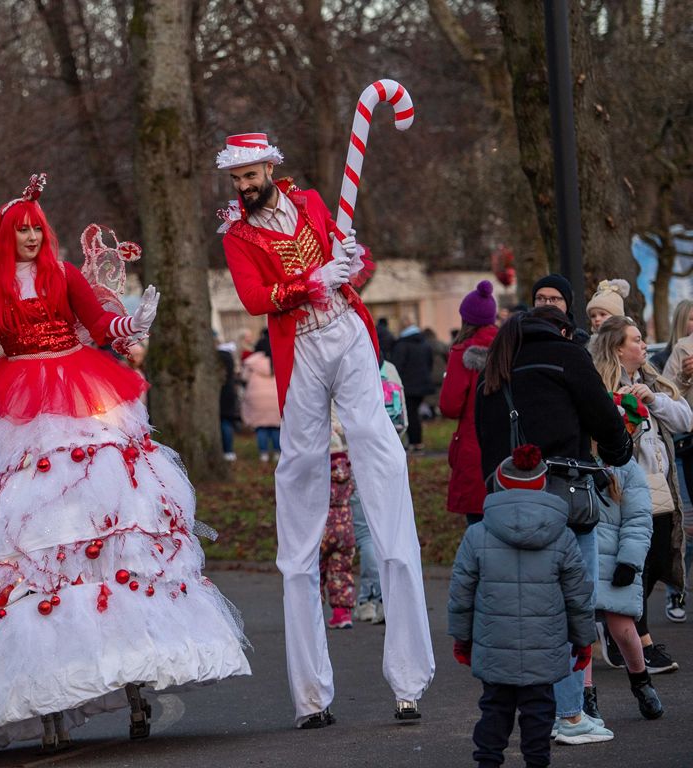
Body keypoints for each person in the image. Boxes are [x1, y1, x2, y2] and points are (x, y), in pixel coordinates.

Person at [0, 176, 250, 754]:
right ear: (7, 235)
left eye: (38, 229)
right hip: (18, 405)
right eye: (23, 231)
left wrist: (132, 324)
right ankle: (48, 697)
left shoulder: (64, 276)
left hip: (80, 389)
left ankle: (133, 677)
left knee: (107, 516)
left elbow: (100, 324)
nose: (33, 237)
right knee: (31, 530)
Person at [217, 133, 432, 723]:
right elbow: (255, 297)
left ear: (269, 166)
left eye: (249, 174)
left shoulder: (313, 203)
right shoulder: (237, 236)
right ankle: (311, 695)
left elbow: (358, 267)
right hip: (301, 349)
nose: (243, 186)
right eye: (235, 179)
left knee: (382, 459)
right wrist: (310, 282)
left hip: (349, 333)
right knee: (301, 473)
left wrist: (352, 262)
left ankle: (410, 677)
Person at [475, 307, 632, 745]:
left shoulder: (497, 363)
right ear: (562, 330)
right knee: (571, 608)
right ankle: (569, 714)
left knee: (521, 614)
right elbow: (605, 418)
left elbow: (481, 435)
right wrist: (620, 451)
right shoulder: (567, 355)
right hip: (564, 502)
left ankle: (525, 717)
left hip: (506, 502)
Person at [448, 444, 596, 768]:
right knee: (539, 711)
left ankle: (487, 762)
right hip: (545, 646)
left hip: (494, 643)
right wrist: (583, 641)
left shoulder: (477, 534)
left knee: (494, 709)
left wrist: (462, 639)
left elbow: (461, 592)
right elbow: (578, 595)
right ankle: (536, 762)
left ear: (499, 484)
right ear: (543, 485)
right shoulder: (563, 535)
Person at [590, 315, 691, 674]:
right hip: (623, 485)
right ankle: (637, 639)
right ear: (618, 348)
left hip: (660, 483)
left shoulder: (651, 380)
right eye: (635, 340)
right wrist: (619, 406)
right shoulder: (600, 383)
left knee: (660, 558)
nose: (644, 345)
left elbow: (685, 420)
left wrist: (653, 400)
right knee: (636, 561)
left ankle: (614, 620)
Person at [592, 446, 662, 719]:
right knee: (579, 635)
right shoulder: (568, 462)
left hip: (615, 562)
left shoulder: (627, 468)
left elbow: (638, 520)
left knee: (623, 629)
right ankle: (585, 697)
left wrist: (629, 561)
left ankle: (641, 682)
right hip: (578, 561)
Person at [439, 281, 499, 525]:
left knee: (478, 525)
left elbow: (450, 406)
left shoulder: (463, 352)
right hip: (510, 446)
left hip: (474, 447)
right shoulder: (510, 347)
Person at [658, 299, 693, 622]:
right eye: (691, 320)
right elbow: (670, 404)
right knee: (685, 524)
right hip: (680, 449)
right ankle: (675, 591)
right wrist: (683, 378)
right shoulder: (669, 355)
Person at [320, 419, 355, 629]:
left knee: (316, 571)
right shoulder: (347, 469)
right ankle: (342, 614)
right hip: (345, 527)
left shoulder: (320, 470)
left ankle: (311, 612)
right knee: (341, 570)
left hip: (321, 526)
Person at [390, 320, 433, 454]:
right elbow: (429, 362)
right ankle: (417, 441)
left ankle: (415, 442)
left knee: (410, 414)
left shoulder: (402, 345)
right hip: (423, 383)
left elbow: (397, 365)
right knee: (414, 413)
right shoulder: (424, 343)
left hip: (408, 385)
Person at [241, 346, 281, 462]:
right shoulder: (277, 358)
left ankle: (263, 453)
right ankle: (277, 452)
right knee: (275, 427)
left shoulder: (253, 362)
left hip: (257, 398)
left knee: (261, 427)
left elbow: (244, 377)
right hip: (275, 396)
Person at [218, 342, 240, 462]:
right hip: (229, 397)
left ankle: (227, 450)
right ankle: (229, 450)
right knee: (227, 423)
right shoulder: (230, 363)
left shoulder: (219, 363)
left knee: (224, 423)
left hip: (222, 398)